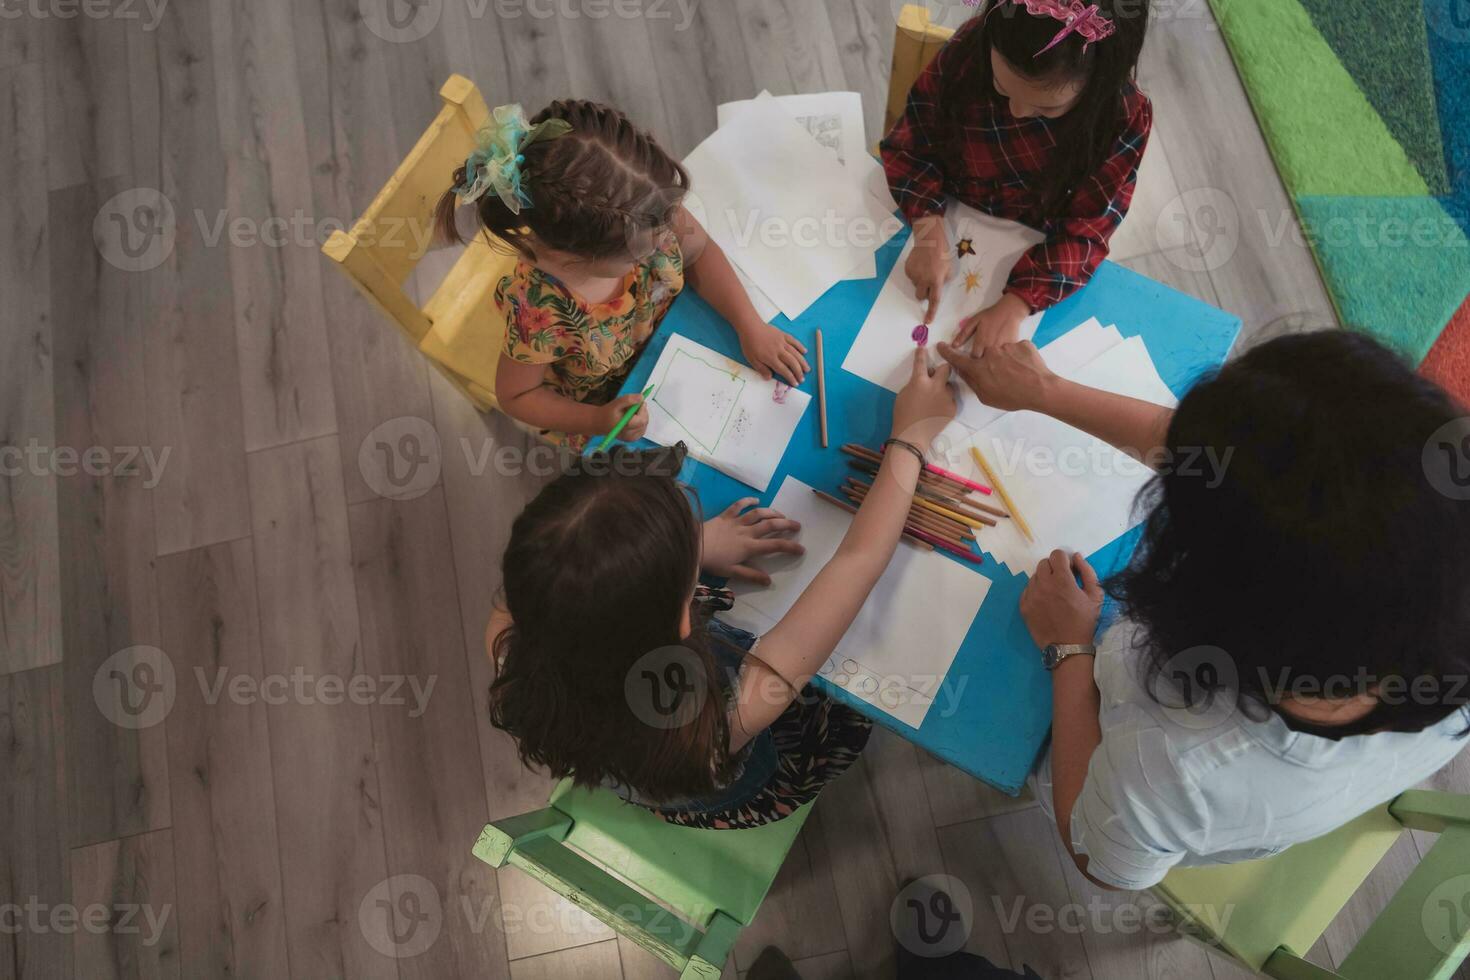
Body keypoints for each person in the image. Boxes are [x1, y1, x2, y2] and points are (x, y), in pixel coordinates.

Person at [937, 330, 1470, 890]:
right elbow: (1261, 472)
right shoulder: (1405, 566)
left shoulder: (1173, 766)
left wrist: (1069, 650)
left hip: (1103, 765)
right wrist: (1047, 391)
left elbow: (1096, 858)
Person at [485, 350, 958, 827]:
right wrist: (911, 438)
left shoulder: (512, 641)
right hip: (731, 773)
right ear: (684, 614)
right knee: (844, 707)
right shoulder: (719, 717)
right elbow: (860, 562)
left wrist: (681, 557)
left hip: (628, 758)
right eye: (693, 544)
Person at [435, 99, 807, 448]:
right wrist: (597, 420)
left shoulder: (649, 208)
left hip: (675, 339)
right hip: (608, 403)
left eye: (667, 223)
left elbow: (700, 251)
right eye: (640, 254)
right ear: (575, 257)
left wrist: (750, 325)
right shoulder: (539, 311)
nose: (667, 235)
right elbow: (518, 396)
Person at [882, 0, 1151, 352]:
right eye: (1000, 86)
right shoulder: (968, 51)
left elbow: (1087, 230)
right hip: (952, 201)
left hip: (1036, 237)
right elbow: (909, 146)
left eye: (1046, 108)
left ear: (1100, 80)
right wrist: (928, 225)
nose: (1017, 110)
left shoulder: (1121, 117)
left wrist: (1019, 302)